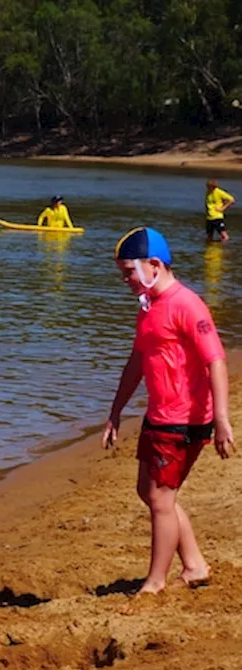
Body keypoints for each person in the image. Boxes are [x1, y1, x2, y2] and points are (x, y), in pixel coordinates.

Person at [103, 227, 231, 594]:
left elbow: (216, 360)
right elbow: (137, 361)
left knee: (160, 499)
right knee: (150, 491)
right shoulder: (149, 307)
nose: (126, 280)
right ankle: (194, 565)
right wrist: (115, 412)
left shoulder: (186, 304)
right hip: (158, 416)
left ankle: (155, 583)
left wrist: (221, 420)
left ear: (154, 265)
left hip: (184, 421)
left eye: (129, 271)